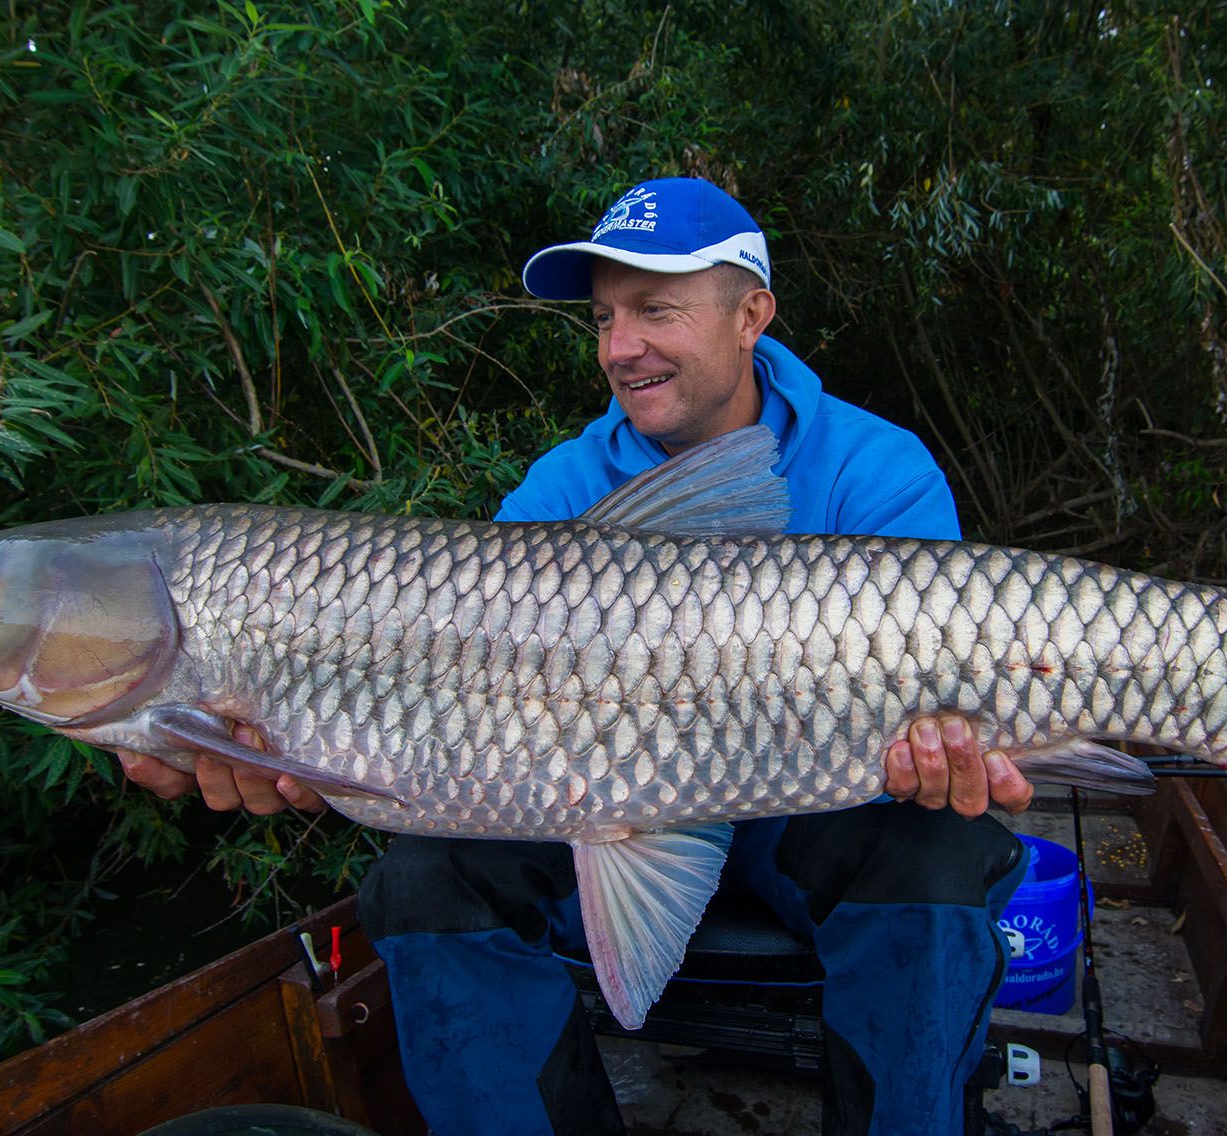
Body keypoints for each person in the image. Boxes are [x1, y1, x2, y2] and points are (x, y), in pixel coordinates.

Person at [118, 178, 1035, 1135]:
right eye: (602, 318)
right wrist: (308, 753)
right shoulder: (561, 487)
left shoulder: (875, 469)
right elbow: (469, 701)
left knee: (935, 854)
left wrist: (956, 760)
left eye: (654, 309)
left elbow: (946, 714)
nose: (618, 347)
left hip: (809, 806)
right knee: (424, 878)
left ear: (751, 315)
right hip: (588, 796)